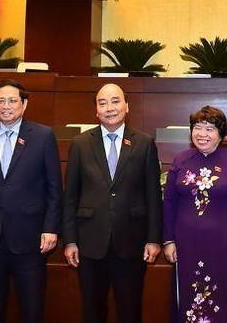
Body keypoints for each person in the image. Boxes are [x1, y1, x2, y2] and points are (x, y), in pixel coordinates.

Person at [0, 79, 62, 323]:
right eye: (0, 100)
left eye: (13, 100)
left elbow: (54, 187)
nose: (6, 106)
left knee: (31, 308)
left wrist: (50, 228)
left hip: (30, 238)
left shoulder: (43, 136)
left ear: (24, 104)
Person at [63, 83, 162, 323]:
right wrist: (70, 240)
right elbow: (70, 197)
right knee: (93, 311)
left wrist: (153, 238)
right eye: (102, 103)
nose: (109, 108)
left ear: (127, 106)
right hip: (89, 243)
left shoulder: (144, 143)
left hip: (131, 242)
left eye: (115, 101)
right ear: (96, 110)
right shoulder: (80, 144)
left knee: (130, 311)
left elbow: (153, 196)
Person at [162, 106, 227, 322]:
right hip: (187, 247)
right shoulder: (180, 160)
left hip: (226, 248)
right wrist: (168, 240)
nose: (202, 134)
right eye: (197, 127)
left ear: (221, 134)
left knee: (225, 300)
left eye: (210, 129)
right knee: (188, 299)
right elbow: (169, 202)